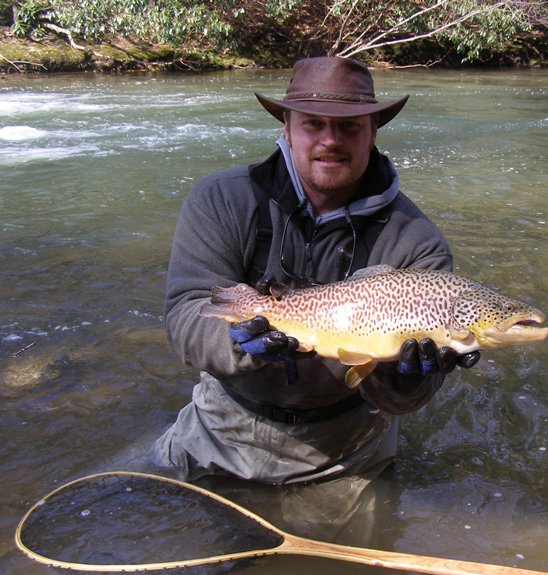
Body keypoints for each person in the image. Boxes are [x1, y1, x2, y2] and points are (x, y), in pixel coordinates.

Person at [152, 56, 479, 485]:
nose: (331, 140)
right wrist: (242, 344)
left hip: (349, 449)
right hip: (219, 429)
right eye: (313, 124)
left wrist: (407, 378)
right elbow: (186, 317)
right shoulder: (221, 200)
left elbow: (406, 401)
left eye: (348, 126)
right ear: (286, 127)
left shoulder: (418, 242)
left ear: (373, 132)